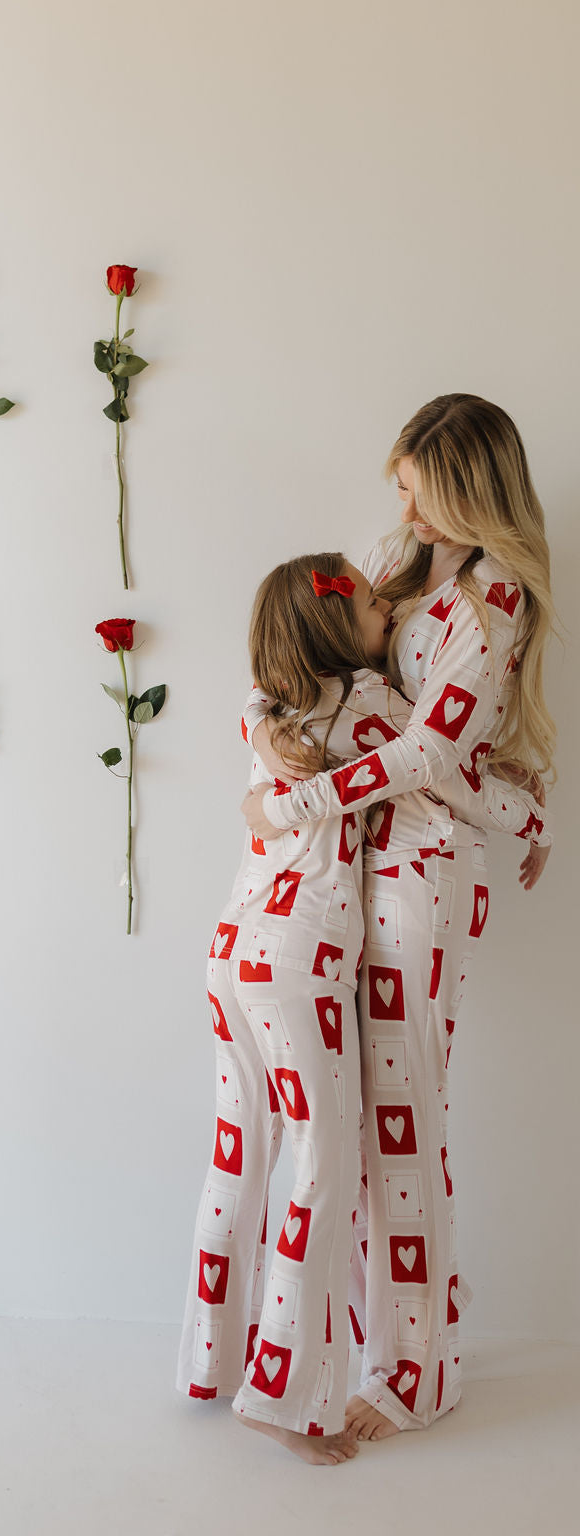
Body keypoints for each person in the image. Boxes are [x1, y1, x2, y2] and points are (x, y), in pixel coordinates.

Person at [177, 550, 544, 1466]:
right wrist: (532, 814)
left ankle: (209, 1361)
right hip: (301, 963)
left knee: (240, 1152)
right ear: (340, 627)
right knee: (326, 1168)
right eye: (369, 598)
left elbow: (274, 773)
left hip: (233, 950)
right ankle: (282, 1394)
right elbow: (445, 775)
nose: (386, 598)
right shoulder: (369, 709)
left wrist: (273, 800)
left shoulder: (263, 707)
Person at [241, 395, 555, 1440]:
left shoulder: (493, 598)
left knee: (402, 1116)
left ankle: (419, 1372)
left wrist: (296, 796)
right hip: (346, 873)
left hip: (423, 879)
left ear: (462, 483)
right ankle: (372, 1354)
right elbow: (300, 663)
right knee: (353, 1126)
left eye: (413, 478)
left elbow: (427, 755)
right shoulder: (394, 560)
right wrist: (263, 738)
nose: (397, 496)